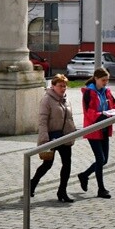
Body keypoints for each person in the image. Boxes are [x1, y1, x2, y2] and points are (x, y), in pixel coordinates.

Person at [31, 74, 77, 202]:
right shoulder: (47, 99)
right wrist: (44, 140)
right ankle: (32, 184)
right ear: (53, 86)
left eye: (65, 86)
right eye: (60, 86)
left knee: (67, 164)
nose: (63, 88)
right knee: (47, 165)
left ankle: (62, 191)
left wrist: (73, 131)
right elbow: (42, 121)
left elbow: (69, 118)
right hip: (51, 137)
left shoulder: (66, 100)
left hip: (65, 137)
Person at [78, 67, 115, 199]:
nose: (105, 82)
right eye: (103, 80)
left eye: (107, 80)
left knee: (104, 160)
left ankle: (84, 175)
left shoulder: (107, 91)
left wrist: (114, 113)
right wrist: (102, 115)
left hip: (105, 128)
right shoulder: (89, 92)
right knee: (100, 159)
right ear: (96, 78)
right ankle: (101, 189)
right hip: (93, 129)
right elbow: (88, 112)